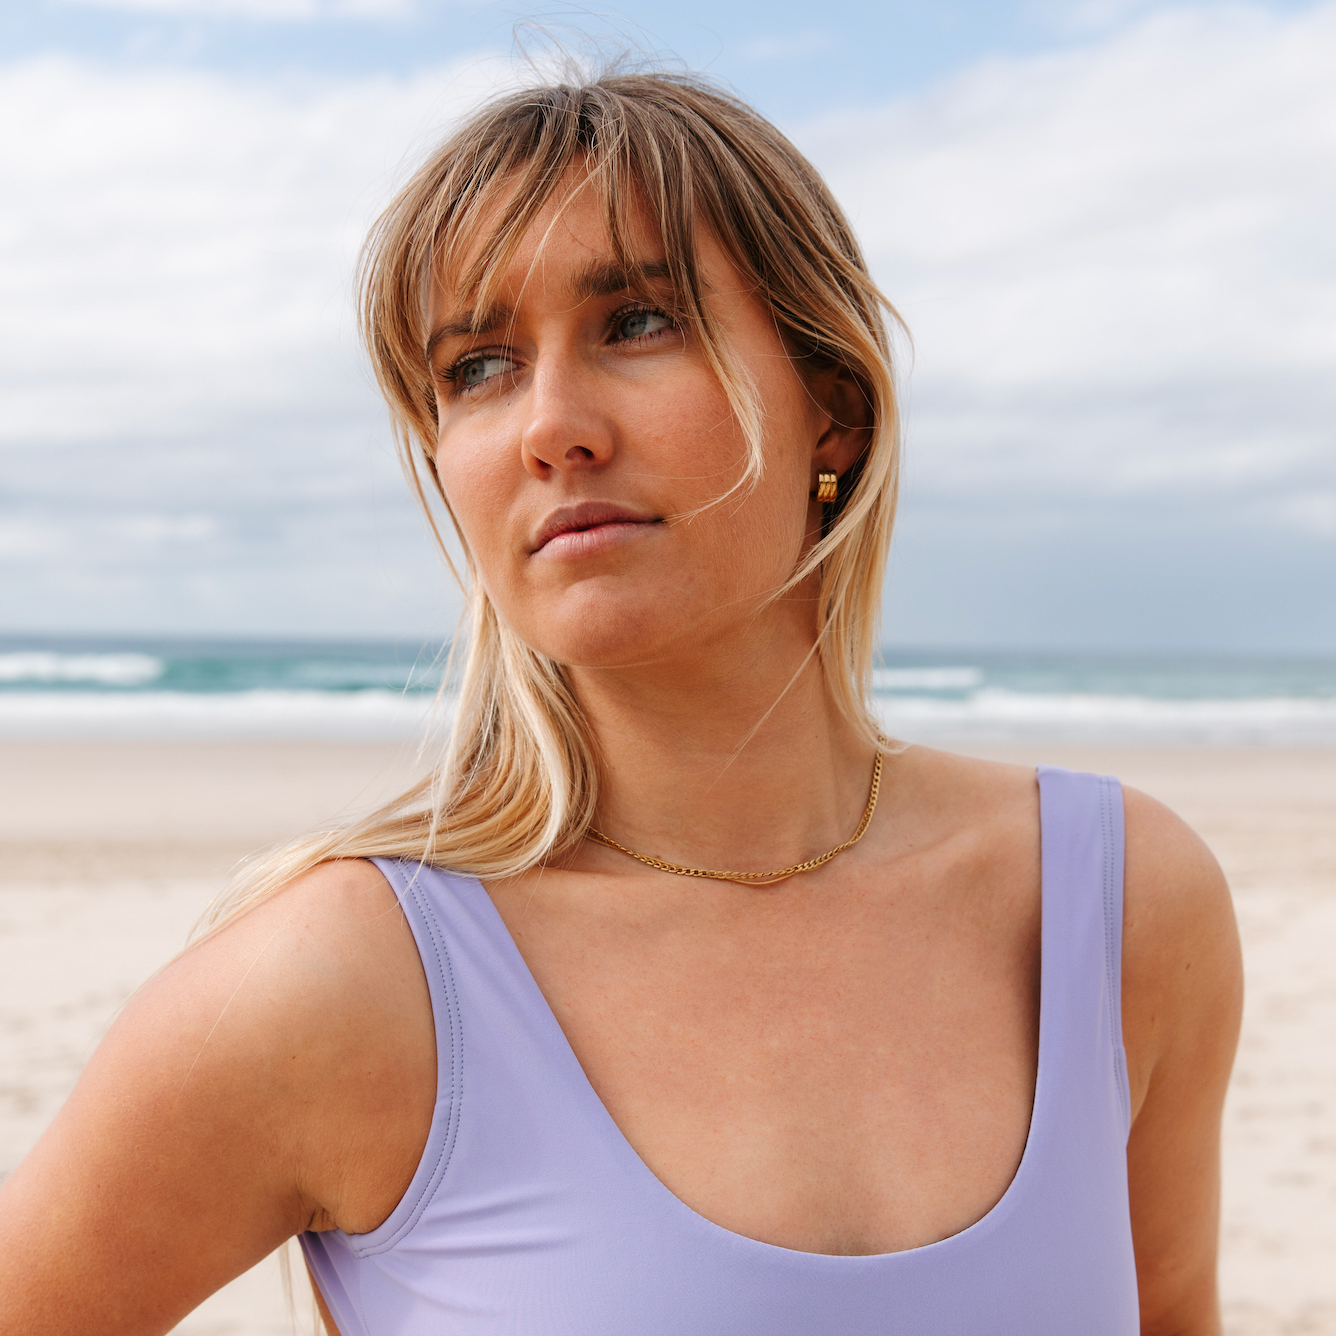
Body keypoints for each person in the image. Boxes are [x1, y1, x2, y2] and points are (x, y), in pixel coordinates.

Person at [0, 71, 1242, 1335]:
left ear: (833, 409)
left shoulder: (1120, 900)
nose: (550, 428)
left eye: (638, 322)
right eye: (478, 366)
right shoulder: (341, 983)